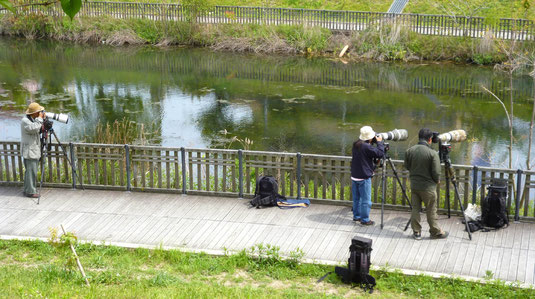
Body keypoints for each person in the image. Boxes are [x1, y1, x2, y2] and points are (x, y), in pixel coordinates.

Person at [404, 128, 448, 240]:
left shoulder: (410, 151)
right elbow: (436, 171)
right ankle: (435, 232)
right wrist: (437, 179)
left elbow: (407, 166)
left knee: (415, 209)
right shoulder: (432, 153)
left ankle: (416, 232)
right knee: (431, 210)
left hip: (414, 186)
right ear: (430, 139)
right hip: (428, 187)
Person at [351, 126, 384, 226]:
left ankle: (356, 216)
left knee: (357, 198)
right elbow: (380, 153)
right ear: (370, 137)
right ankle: (365, 219)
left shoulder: (356, 144)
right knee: (366, 200)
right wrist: (379, 143)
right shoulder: (366, 147)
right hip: (364, 177)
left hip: (355, 175)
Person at [21, 102, 45, 198]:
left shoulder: (32, 119)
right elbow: (34, 128)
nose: (40, 113)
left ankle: (27, 189)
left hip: (32, 150)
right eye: (39, 112)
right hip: (30, 151)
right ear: (34, 113)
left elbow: (37, 129)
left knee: (30, 171)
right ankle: (30, 192)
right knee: (31, 171)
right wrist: (40, 119)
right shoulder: (25, 121)